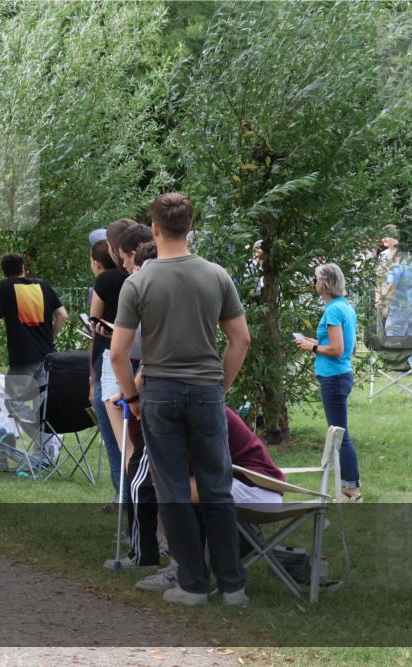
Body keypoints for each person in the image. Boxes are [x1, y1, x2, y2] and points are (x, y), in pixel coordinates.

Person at [110, 192, 251, 607]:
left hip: (160, 392)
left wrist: (132, 396)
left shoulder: (138, 283)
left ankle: (192, 584)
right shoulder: (216, 276)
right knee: (216, 487)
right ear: (190, 228)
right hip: (206, 389)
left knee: (171, 488)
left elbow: (118, 353)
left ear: (154, 229)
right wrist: (220, 387)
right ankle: (233, 586)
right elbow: (240, 339)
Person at [135, 407, 285, 592]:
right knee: (169, 485)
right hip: (238, 484)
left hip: (257, 488)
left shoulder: (199, 413)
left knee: (173, 489)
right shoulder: (185, 410)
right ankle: (189, 569)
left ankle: (185, 572)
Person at [0, 253, 68, 463]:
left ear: (3, 272)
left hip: (23, 358)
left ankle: (47, 442)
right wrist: (50, 336)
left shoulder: (4, 287)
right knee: (42, 407)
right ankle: (45, 451)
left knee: (12, 402)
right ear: (24, 268)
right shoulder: (42, 285)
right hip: (48, 357)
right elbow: (63, 315)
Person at [295, 263, 361, 501]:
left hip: (333, 378)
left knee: (340, 436)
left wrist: (312, 347)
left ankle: (351, 489)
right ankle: (348, 486)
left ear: (324, 283)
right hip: (342, 374)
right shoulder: (345, 307)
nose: (314, 283)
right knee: (339, 434)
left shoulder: (333, 310)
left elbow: (337, 349)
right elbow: (349, 347)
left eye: (315, 279)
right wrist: (316, 342)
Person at [89, 219, 136, 498]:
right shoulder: (144, 277)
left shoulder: (105, 281)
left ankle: (123, 496)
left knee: (117, 437)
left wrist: (92, 376)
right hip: (143, 360)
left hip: (112, 357)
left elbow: (94, 324)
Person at [380, 242, 412, 339]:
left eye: (391, 251)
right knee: (409, 341)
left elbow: (392, 287)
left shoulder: (395, 267)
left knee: (394, 340)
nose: (388, 253)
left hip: (398, 309)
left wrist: (385, 306)